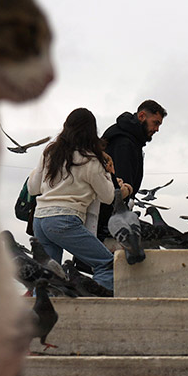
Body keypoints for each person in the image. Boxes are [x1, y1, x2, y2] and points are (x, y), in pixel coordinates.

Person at [27, 108, 127, 292]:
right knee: (106, 264)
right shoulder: (91, 160)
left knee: (47, 277)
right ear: (91, 132)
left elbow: (33, 188)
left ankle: (38, 317)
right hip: (65, 220)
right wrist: (109, 175)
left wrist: (39, 170)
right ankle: (96, 310)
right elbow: (108, 197)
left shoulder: (49, 153)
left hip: (40, 221)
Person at [97, 99, 167, 238]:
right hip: (110, 216)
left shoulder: (128, 138)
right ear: (142, 116)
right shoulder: (123, 142)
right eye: (155, 123)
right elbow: (121, 183)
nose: (157, 129)